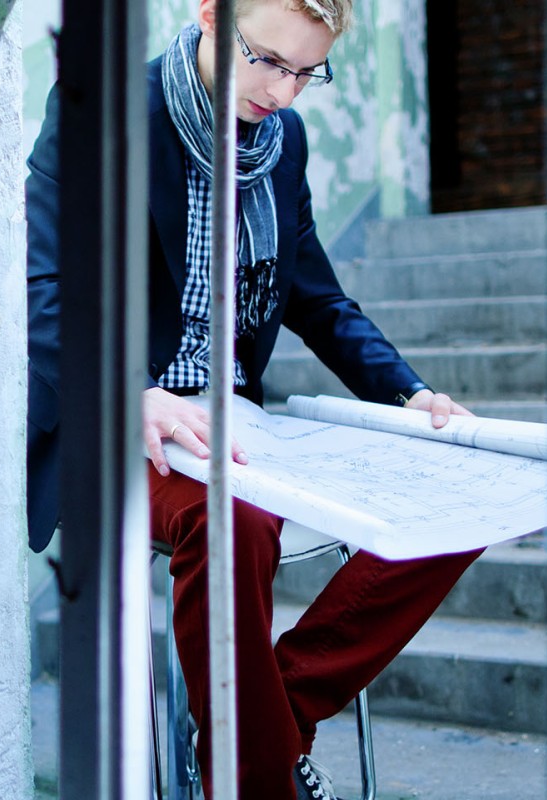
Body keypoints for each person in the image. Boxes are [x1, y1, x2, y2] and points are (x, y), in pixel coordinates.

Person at [25, 2, 483, 797]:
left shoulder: (284, 141)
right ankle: (257, 768)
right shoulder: (97, 110)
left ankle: (260, 723)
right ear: (211, 13)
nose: (283, 92)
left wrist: (409, 393)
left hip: (239, 421)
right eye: (267, 60)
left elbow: (319, 300)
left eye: (307, 72)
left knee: (460, 493)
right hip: (119, 425)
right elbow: (42, 289)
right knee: (233, 518)